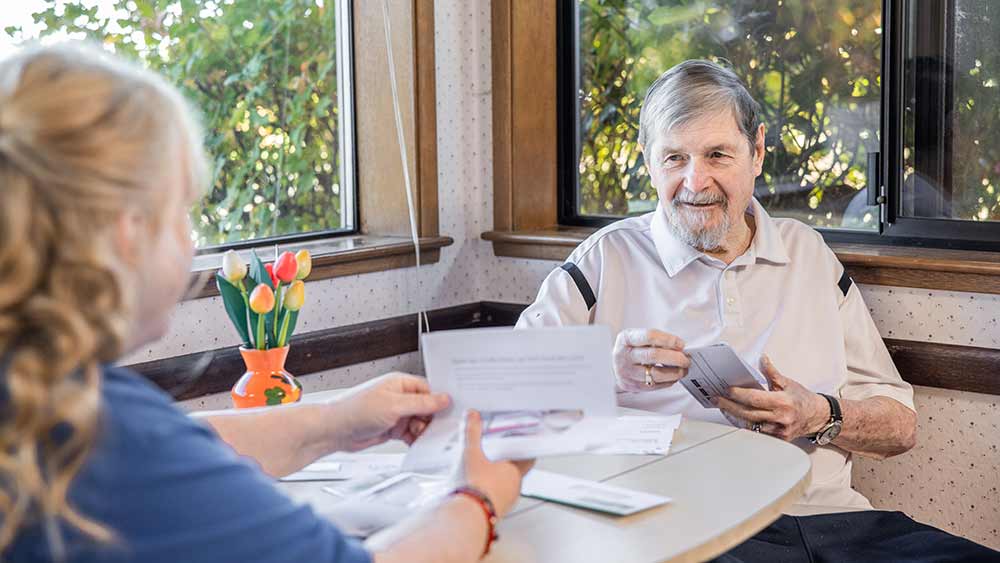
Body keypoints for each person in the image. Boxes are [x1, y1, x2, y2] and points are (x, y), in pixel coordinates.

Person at [0, 43, 530, 563]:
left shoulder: (42, 402)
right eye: (181, 213)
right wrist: (479, 498)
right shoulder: (107, 440)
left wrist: (334, 422)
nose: (191, 243)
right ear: (127, 233)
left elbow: (187, 444)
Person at [517, 59, 998, 561]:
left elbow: (901, 427)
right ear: (647, 159)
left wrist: (819, 415)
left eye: (717, 155)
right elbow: (504, 400)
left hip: (837, 523)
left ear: (758, 151)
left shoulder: (808, 253)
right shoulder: (604, 259)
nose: (694, 181)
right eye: (674, 158)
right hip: (690, 531)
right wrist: (604, 371)